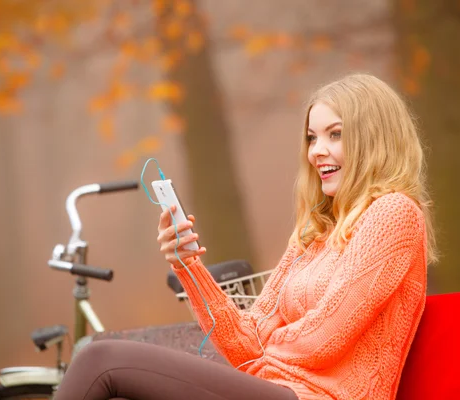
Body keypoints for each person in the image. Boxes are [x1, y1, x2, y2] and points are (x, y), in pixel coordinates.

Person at [53, 73, 437, 400]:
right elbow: (246, 343)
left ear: (374, 139)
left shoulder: (394, 214)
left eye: (335, 134)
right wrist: (188, 264)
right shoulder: (314, 233)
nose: (317, 151)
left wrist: (265, 356)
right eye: (311, 138)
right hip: (275, 388)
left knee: (99, 359)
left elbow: (325, 337)